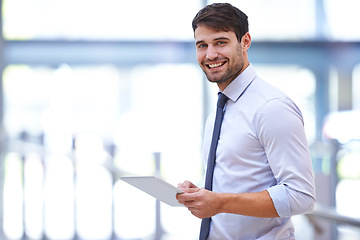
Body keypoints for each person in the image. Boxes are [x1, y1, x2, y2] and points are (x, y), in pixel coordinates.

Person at [176, 3, 315, 240]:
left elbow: (301, 196)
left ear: (245, 42)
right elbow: (240, 179)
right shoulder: (221, 109)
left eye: (220, 42)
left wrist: (220, 202)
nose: (210, 55)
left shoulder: (271, 107)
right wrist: (202, 194)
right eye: (202, 45)